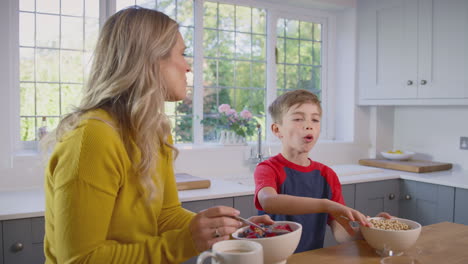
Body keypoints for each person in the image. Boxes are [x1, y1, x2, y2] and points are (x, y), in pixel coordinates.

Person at [42, 6, 272, 264]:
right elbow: (79, 260)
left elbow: (166, 215)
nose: (188, 66)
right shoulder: (92, 140)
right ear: (149, 59)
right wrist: (185, 242)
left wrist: (234, 232)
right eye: (182, 54)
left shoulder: (153, 130)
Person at [254, 89, 390, 253]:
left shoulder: (327, 175)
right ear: (277, 130)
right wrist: (326, 205)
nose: (308, 125)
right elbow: (269, 201)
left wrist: (374, 229)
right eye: (298, 118)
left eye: (315, 120)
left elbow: (343, 234)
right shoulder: (268, 169)